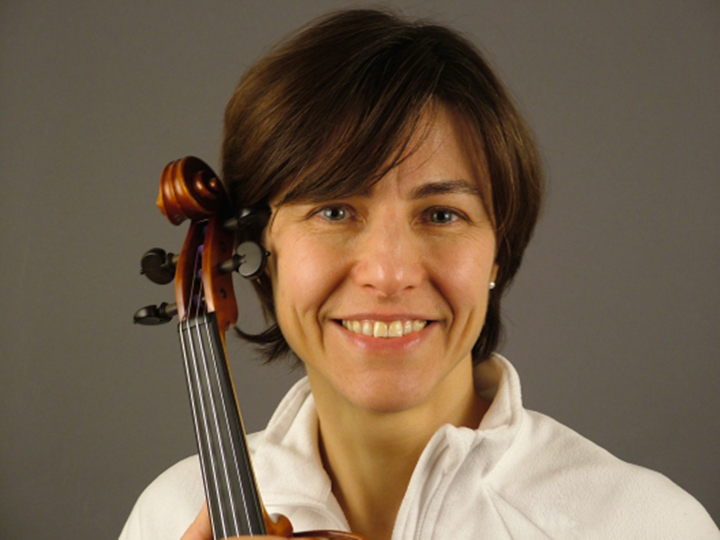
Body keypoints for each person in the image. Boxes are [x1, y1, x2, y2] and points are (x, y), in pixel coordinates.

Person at [119, 8, 719, 540]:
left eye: (441, 215)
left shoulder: (643, 526)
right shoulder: (173, 516)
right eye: (334, 211)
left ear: (498, 251)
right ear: (257, 248)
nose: (388, 274)